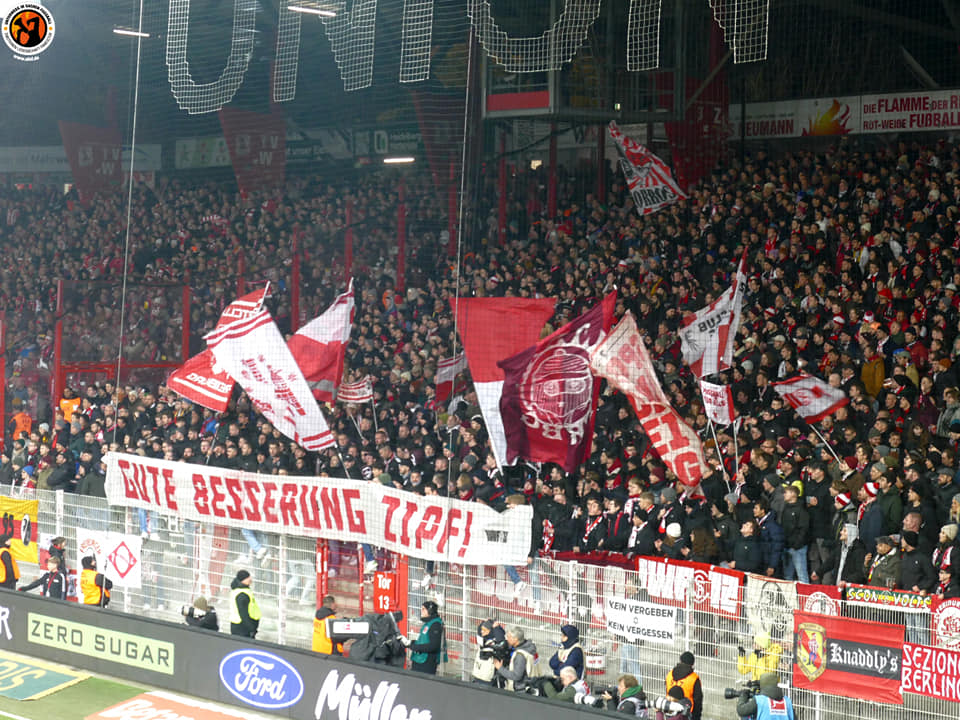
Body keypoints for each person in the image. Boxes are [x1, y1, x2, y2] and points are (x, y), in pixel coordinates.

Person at [401, 600, 445, 674]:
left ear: (430, 611)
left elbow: (433, 646)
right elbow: (422, 641)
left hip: (426, 662)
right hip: (419, 660)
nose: (421, 611)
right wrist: (409, 642)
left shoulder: (435, 625)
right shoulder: (428, 623)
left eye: (423, 609)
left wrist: (413, 647)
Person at [493, 626, 538, 691]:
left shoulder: (520, 655)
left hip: (521, 689)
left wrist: (500, 668)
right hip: (531, 684)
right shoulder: (530, 648)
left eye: (509, 637)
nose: (507, 639)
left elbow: (516, 676)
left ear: (515, 639)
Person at [665, 651, 702, 720]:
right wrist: (697, 717)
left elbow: (667, 691)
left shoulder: (670, 674)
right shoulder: (694, 678)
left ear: (680, 660)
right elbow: (698, 701)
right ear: (692, 664)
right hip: (686, 713)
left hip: (670, 710)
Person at [472, 619, 506, 685]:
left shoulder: (492, 643)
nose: (482, 631)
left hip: (487, 676)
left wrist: (496, 628)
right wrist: (484, 623)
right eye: (482, 629)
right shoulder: (482, 640)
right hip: (479, 674)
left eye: (484, 630)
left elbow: (501, 642)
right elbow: (479, 632)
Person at [229, 569, 260, 638]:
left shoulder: (241, 590)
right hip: (242, 628)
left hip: (240, 626)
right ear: (242, 580)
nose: (250, 579)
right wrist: (251, 628)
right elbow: (243, 614)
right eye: (248, 578)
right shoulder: (242, 594)